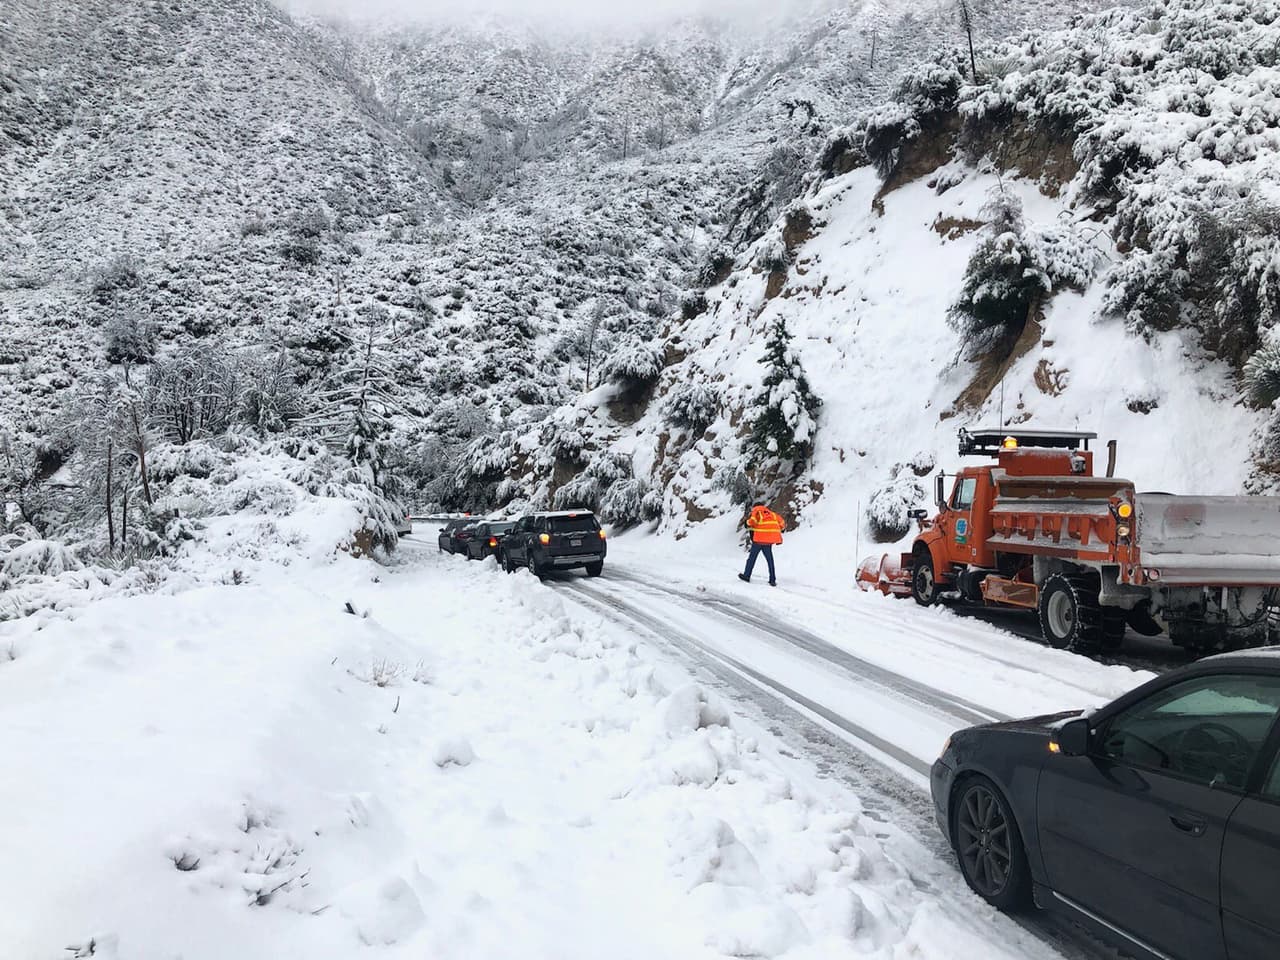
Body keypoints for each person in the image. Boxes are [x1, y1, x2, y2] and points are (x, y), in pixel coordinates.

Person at [738, 503, 783, 586]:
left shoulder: (756, 511)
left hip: (758, 540)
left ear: (755, 507)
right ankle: (772, 580)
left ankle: (746, 576)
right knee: (770, 560)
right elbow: (782, 523)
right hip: (768, 541)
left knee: (752, 559)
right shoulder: (771, 514)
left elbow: (752, 521)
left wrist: (747, 523)